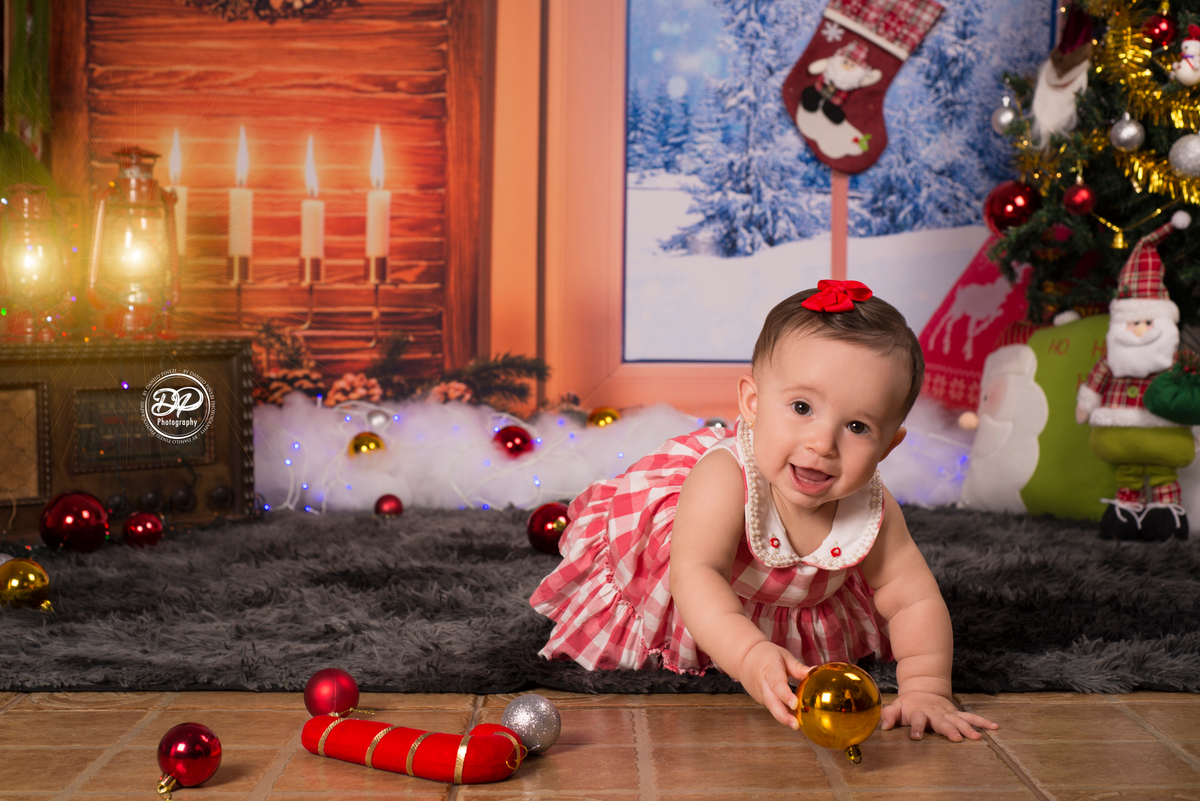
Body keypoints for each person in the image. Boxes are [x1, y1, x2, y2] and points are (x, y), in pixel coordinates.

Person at [531, 281, 997, 742]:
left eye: (857, 426)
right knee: (695, 582)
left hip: (794, 601)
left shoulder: (873, 508)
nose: (822, 443)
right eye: (802, 407)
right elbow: (696, 575)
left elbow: (912, 597)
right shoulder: (724, 478)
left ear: (888, 446)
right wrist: (749, 653)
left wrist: (927, 688)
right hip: (696, 584)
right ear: (752, 404)